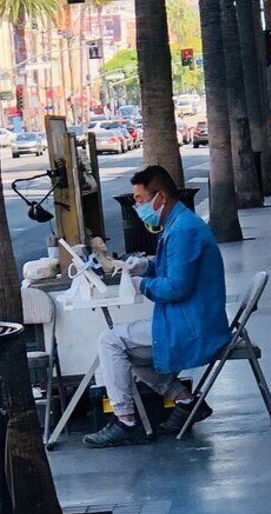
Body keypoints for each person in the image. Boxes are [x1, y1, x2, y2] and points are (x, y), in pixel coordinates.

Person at [84, 166, 231, 448]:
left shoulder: (182, 231)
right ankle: (185, 400)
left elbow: (176, 287)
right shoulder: (181, 224)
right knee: (126, 347)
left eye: (140, 199)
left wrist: (142, 284)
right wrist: (147, 266)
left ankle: (126, 421)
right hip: (192, 318)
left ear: (160, 197)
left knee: (112, 341)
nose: (137, 206)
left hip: (192, 325)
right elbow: (174, 270)